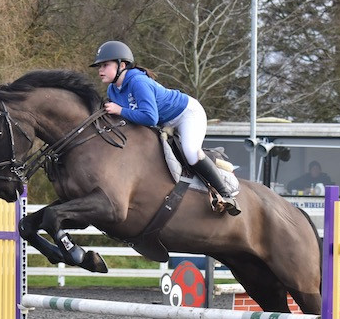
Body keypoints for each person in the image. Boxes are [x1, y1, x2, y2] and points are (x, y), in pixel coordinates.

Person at [90, 40, 240, 216]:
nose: (100, 70)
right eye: (99, 66)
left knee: (191, 152)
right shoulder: (112, 91)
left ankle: (226, 194)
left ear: (121, 65)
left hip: (186, 114)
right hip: (165, 122)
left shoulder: (138, 82)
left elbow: (149, 117)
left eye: (105, 65)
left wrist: (119, 110)